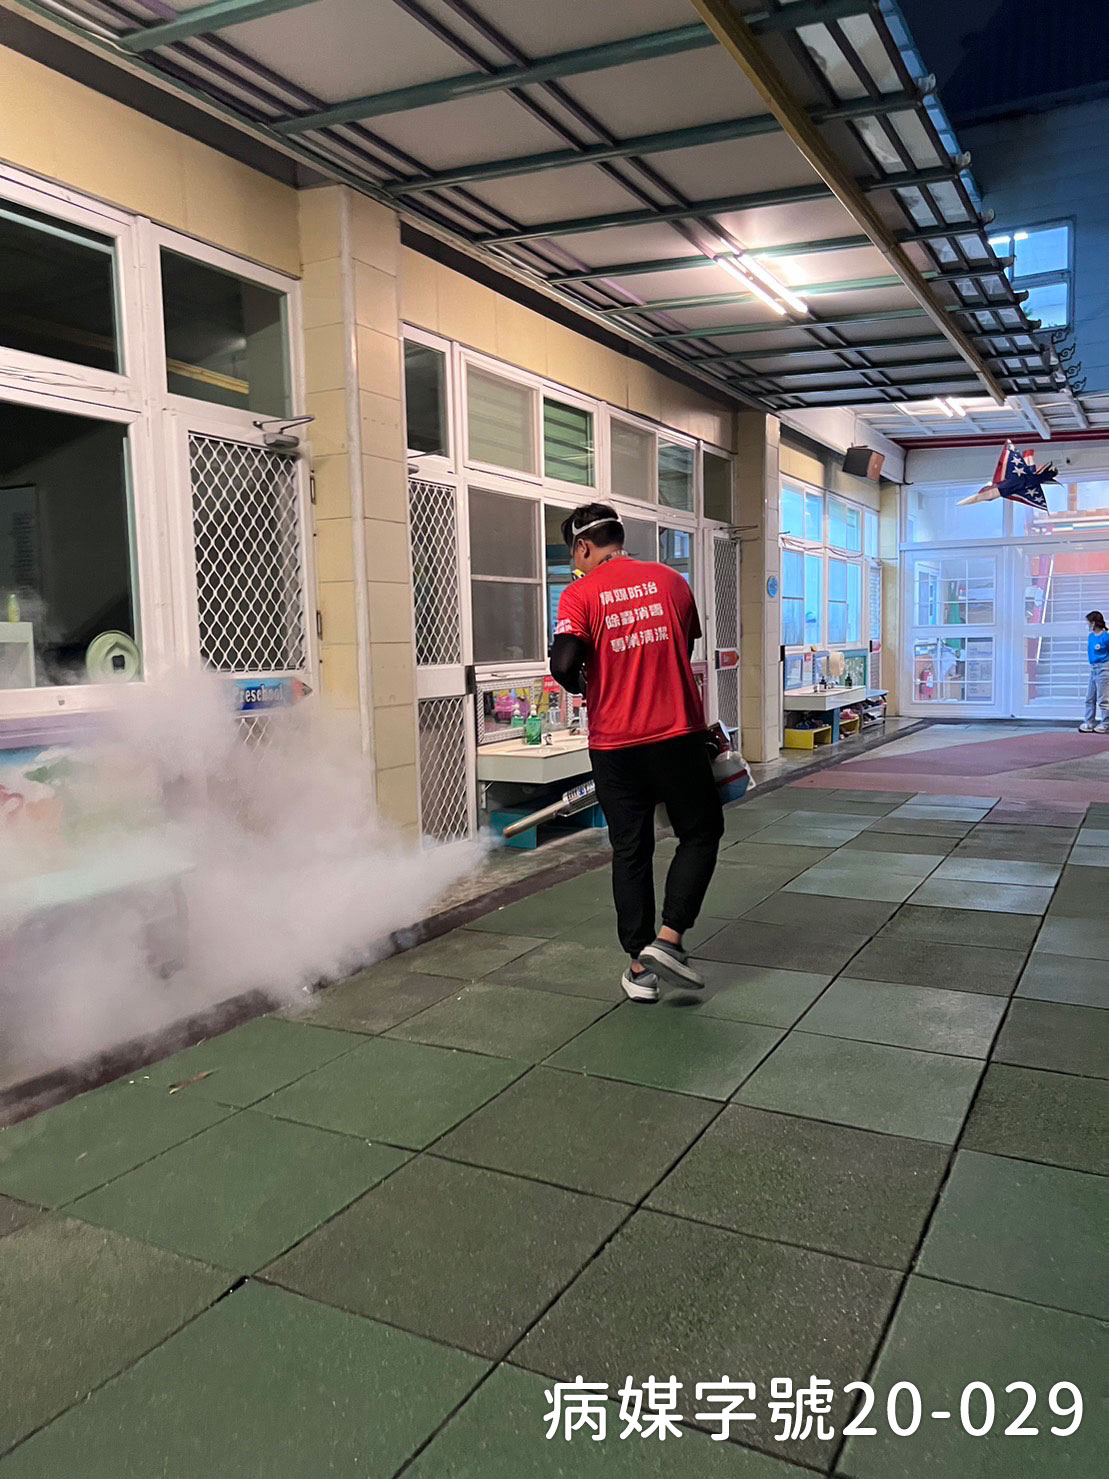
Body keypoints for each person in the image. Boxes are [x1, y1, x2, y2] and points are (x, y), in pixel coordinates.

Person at [550, 503, 724, 1003]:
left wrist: (589, 684)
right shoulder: (672, 581)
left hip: (614, 744)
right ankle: (669, 938)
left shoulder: (581, 593)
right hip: (675, 735)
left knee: (631, 848)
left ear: (583, 547)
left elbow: (563, 664)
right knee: (700, 831)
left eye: (574, 554)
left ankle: (639, 968)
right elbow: (682, 648)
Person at [1079, 609, 1109, 733]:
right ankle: (1089, 722)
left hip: (1104, 669)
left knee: (1103, 699)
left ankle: (1106, 724)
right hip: (1093, 669)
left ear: (1094, 623)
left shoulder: (1106, 637)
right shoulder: (1091, 637)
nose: (1087, 625)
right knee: (1089, 698)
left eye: (1089, 622)